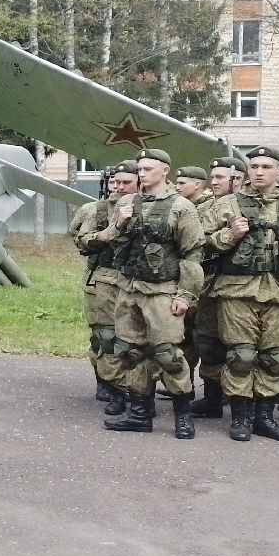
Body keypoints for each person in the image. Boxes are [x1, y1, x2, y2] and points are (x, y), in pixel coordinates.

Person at [201, 145, 279, 442]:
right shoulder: (226, 204)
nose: (260, 171)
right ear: (247, 171)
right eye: (255, 166)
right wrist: (230, 235)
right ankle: (240, 418)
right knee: (240, 356)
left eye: (266, 166)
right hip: (236, 292)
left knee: (275, 358)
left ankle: (265, 418)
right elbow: (198, 246)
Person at [94, 149, 205, 438]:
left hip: (162, 291)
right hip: (129, 288)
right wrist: (119, 222)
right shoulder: (127, 201)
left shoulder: (181, 206)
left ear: (165, 170)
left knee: (168, 354)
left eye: (148, 169)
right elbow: (107, 240)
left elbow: (192, 253)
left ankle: (183, 415)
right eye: (140, 169)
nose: (142, 173)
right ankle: (140, 414)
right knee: (131, 353)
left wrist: (185, 295)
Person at [70, 161, 139, 413]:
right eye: (115, 182)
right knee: (105, 337)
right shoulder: (96, 210)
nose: (118, 187)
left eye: (125, 183)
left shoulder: (151, 207)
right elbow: (82, 240)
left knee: (135, 341)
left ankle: (136, 389)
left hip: (137, 281)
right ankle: (109, 385)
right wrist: (111, 230)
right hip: (103, 279)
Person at [189, 157, 247, 419]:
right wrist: (226, 236)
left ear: (238, 179)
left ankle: (244, 404)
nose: (214, 182)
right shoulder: (211, 207)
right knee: (209, 342)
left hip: (246, 286)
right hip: (212, 283)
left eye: (220, 177)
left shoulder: (253, 205)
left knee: (242, 348)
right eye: (212, 177)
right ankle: (213, 397)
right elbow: (196, 239)